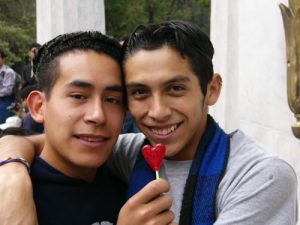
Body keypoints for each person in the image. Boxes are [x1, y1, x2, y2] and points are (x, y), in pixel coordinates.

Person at [0, 20, 297, 225]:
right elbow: (40, 142)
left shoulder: (259, 176)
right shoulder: (127, 154)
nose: (157, 112)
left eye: (175, 88)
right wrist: (12, 173)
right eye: (140, 92)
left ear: (212, 89)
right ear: (39, 106)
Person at [0, 31, 175, 225]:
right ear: (39, 106)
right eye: (78, 96)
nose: (97, 116)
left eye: (112, 100)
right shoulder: (11, 199)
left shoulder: (130, 182)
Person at [0, 50, 17, 123]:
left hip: (5, 101)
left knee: (2, 124)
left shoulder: (8, 72)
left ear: (3, 59)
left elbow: (7, 90)